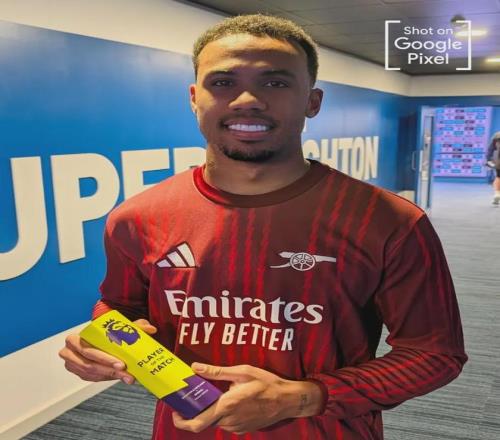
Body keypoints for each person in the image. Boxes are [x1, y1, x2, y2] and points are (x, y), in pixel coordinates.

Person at [59, 14, 467, 439]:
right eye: (223, 82)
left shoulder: (389, 221)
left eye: (275, 82)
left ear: (312, 101)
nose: (247, 99)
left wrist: (303, 397)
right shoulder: (137, 218)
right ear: (194, 98)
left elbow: (435, 354)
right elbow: (120, 307)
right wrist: (101, 341)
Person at [486, 131, 500, 205]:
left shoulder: (497, 135)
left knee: (498, 177)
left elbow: (490, 150)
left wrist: (489, 160)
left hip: (498, 161)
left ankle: (497, 194)